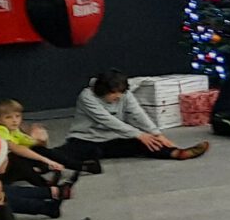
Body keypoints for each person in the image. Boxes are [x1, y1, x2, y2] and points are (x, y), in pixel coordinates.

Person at [57, 69, 209, 167]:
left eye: (121, 93)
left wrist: (157, 134)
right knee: (77, 151)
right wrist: (139, 134)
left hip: (113, 137)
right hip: (86, 138)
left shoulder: (125, 94)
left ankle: (176, 153)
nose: (118, 97)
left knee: (148, 142)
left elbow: (138, 113)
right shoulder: (87, 96)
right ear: (103, 90)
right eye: (114, 93)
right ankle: (48, 159)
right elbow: (108, 120)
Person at [0, 98, 79, 200]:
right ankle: (48, 188)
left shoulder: (14, 131)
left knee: (37, 150)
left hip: (7, 168)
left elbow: (35, 144)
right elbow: (16, 148)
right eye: (8, 117)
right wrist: (47, 160)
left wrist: (42, 139)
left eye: (17, 116)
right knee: (16, 159)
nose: (14, 120)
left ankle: (78, 166)